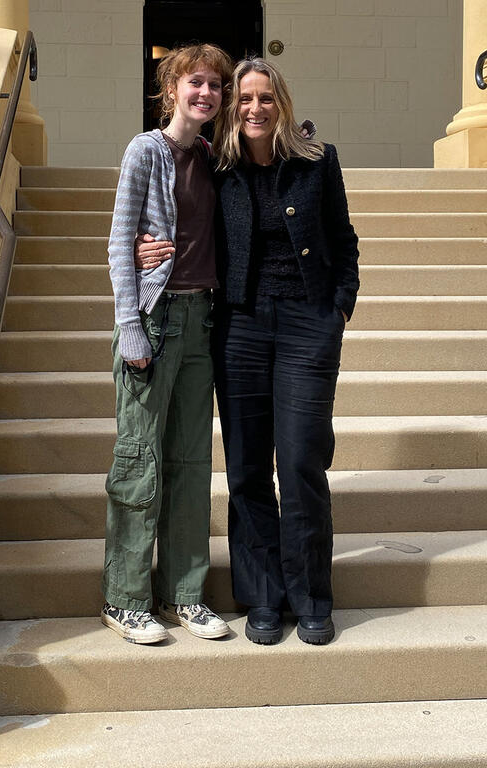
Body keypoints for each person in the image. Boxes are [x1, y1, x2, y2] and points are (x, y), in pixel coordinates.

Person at [136, 57, 359, 646]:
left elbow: (343, 240)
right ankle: (261, 596)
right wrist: (144, 247)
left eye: (265, 98)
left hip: (308, 325)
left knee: (303, 459)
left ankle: (311, 594)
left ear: (280, 104)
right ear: (234, 110)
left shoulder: (318, 162)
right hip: (238, 328)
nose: (254, 108)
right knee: (247, 467)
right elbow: (179, 210)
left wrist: (338, 308)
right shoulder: (220, 167)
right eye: (245, 99)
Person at [101, 43, 234, 644]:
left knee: (189, 461)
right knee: (140, 460)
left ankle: (186, 594)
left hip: (202, 320)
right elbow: (119, 241)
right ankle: (126, 597)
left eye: (215, 85)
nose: (205, 93)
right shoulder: (144, 151)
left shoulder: (215, 160)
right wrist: (130, 325)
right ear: (171, 89)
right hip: (155, 322)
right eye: (195, 82)